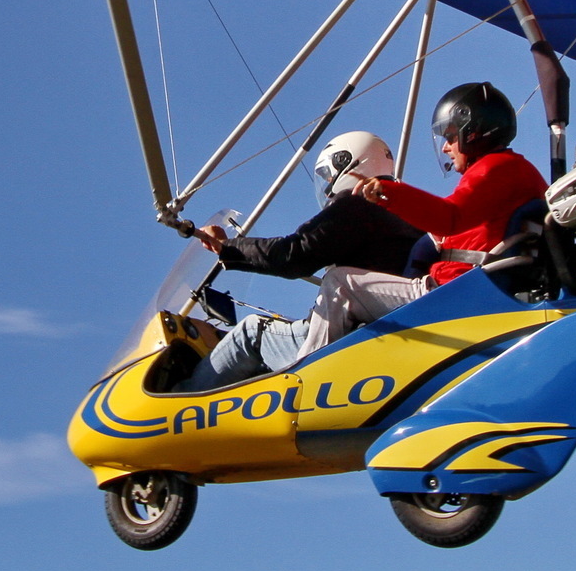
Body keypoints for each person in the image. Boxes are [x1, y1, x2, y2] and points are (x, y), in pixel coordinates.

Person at [181, 131, 422, 391]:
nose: (328, 184)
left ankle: (174, 411)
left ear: (347, 163)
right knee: (260, 372)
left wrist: (226, 247)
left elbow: (294, 254)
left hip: (352, 331)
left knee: (252, 333)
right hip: (385, 323)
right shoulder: (410, 211)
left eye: (328, 175)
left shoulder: (358, 204)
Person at [315, 82, 550, 334]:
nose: (446, 147)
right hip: (471, 288)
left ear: (472, 132)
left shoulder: (495, 168)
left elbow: (449, 217)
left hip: (453, 292)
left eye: (450, 137)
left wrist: (387, 192)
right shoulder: (516, 172)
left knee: (338, 283)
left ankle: (307, 372)